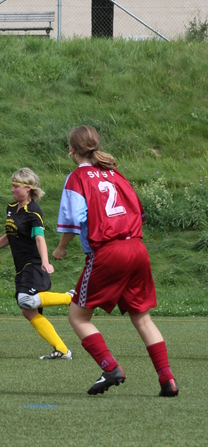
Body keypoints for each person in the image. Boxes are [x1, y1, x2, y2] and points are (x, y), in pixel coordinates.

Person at [53, 125, 177, 397]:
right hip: (137, 248)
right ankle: (167, 378)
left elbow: (73, 220)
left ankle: (110, 368)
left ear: (72, 149)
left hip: (108, 251)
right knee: (142, 318)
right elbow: (138, 212)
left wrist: (61, 248)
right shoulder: (116, 173)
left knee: (78, 316)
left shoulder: (77, 177)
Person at [0, 168, 74, 359]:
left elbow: (39, 238)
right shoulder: (12, 207)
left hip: (34, 264)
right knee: (28, 311)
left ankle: (69, 298)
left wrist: (45, 261)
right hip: (21, 266)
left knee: (26, 300)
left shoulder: (33, 212)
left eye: (16, 186)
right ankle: (62, 350)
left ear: (28, 188)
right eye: (12, 185)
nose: (12, 189)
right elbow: (10, 235)